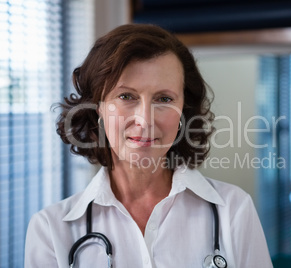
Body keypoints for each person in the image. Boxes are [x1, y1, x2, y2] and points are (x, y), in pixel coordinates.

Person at [25, 24, 273, 268]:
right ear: (98, 106)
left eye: (164, 99)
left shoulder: (233, 210)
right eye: (126, 96)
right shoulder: (52, 230)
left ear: (183, 113)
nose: (144, 120)